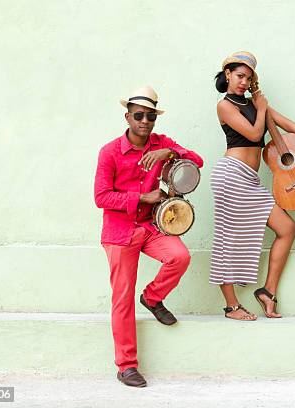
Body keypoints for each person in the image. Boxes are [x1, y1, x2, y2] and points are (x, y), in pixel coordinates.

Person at [94, 85, 203, 387]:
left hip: (151, 228)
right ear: (127, 116)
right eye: (139, 115)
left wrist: (168, 151)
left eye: (150, 116)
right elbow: (101, 197)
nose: (145, 121)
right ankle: (126, 366)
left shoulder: (160, 143)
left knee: (179, 256)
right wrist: (142, 197)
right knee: (122, 298)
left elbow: (197, 161)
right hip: (120, 232)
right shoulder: (109, 152)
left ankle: (153, 298)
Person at [209, 51, 295, 320]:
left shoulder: (255, 104)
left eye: (248, 77)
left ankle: (267, 292)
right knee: (228, 239)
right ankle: (231, 306)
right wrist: (261, 106)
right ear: (228, 74)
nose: (243, 82)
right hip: (231, 176)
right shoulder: (225, 106)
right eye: (240, 76)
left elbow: (285, 123)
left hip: (249, 180)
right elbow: (253, 133)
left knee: (288, 228)